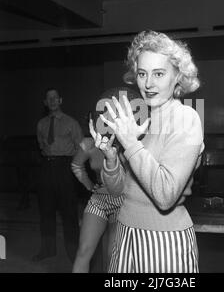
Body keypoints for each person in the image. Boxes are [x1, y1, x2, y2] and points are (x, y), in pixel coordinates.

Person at [90, 30, 204, 273]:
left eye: (159, 74)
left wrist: (130, 143)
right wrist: (111, 158)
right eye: (142, 73)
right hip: (124, 231)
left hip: (165, 240)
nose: (148, 83)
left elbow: (166, 195)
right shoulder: (140, 117)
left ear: (178, 77)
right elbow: (118, 189)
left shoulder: (186, 118)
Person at [72, 86, 142, 273]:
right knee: (83, 251)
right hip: (99, 200)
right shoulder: (88, 144)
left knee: (114, 255)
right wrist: (89, 185)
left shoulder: (129, 142)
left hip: (123, 201)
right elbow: (76, 165)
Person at [34, 88, 83, 263]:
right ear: (45, 103)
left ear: (60, 101)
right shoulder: (41, 124)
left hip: (65, 168)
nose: (52, 101)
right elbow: (41, 145)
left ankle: (73, 251)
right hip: (47, 167)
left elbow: (81, 149)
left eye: (55, 98)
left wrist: (74, 170)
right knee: (45, 211)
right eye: (49, 98)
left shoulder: (72, 123)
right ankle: (48, 249)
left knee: (69, 213)